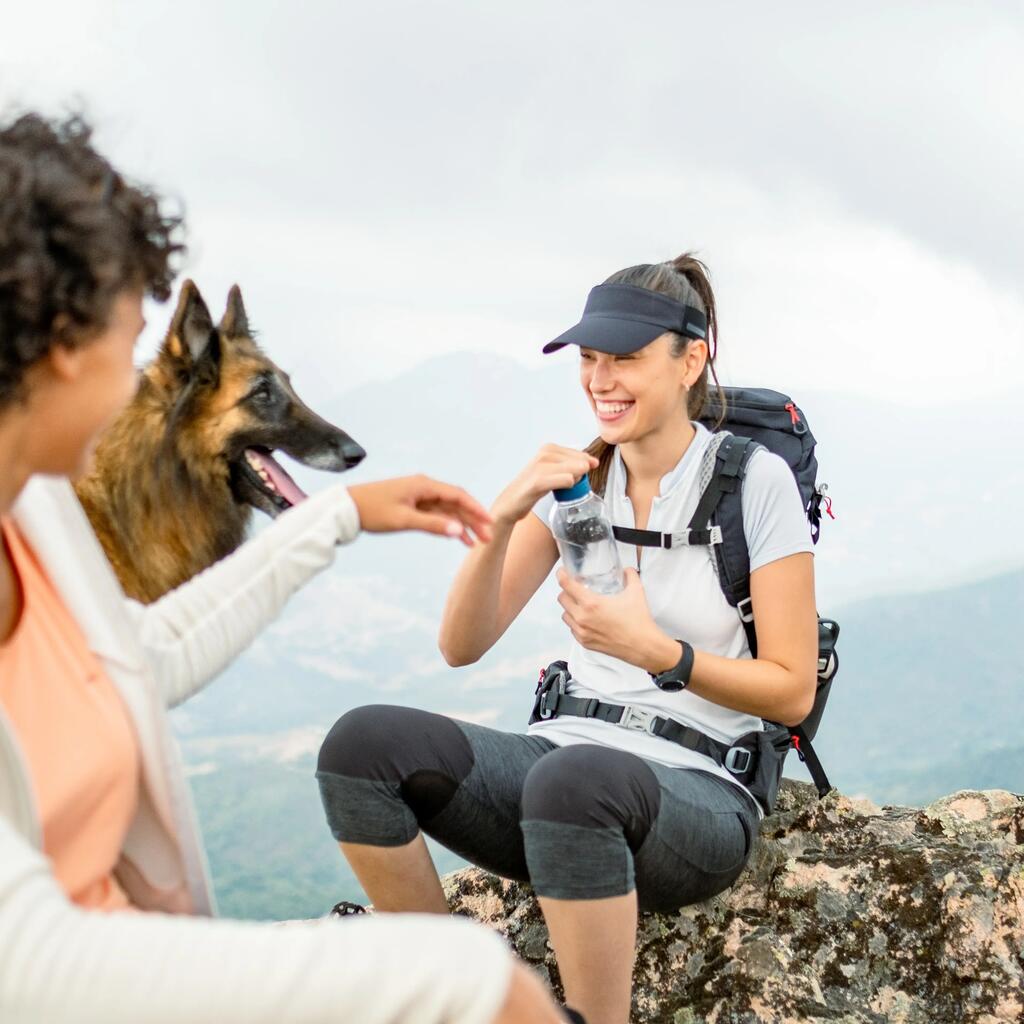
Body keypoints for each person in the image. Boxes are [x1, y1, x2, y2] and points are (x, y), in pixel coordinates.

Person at [0, 111, 565, 1024]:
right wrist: (445, 973)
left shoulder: (35, 515)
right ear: (65, 344)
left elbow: (133, 654)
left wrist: (339, 515)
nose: (142, 369)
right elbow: (20, 961)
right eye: (132, 329)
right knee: (478, 983)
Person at [317, 255, 818, 1024]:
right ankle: (449, 989)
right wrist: (507, 517)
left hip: (700, 790)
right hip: (565, 768)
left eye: (626, 358)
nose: (601, 379)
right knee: (360, 748)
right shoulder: (581, 481)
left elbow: (791, 686)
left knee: (576, 781)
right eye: (589, 358)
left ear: (692, 359)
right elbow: (462, 645)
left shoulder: (753, 483)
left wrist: (660, 654)